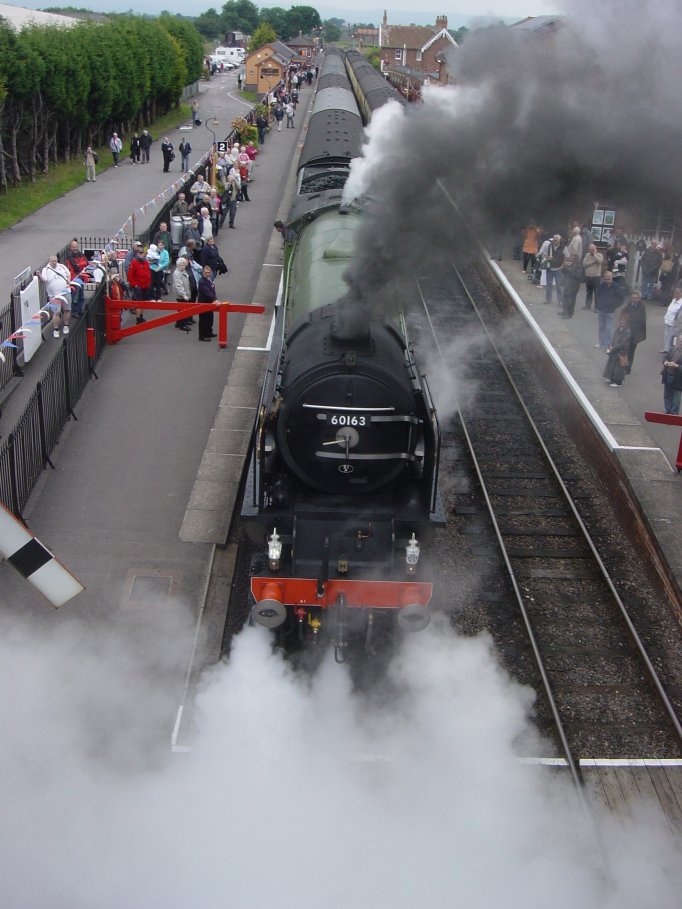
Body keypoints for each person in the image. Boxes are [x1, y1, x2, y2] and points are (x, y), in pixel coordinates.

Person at [37, 255, 72, 337]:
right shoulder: (46, 270)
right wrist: (39, 275)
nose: (55, 262)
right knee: (57, 312)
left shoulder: (61, 266)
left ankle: (66, 326)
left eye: (56, 261)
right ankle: (56, 329)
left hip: (66, 292)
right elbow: (44, 280)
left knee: (67, 309)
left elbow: (68, 274)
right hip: (54, 295)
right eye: (53, 261)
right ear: (50, 261)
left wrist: (69, 280)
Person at [595, 271, 625, 350]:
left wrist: (614, 306)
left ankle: (609, 345)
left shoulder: (616, 287)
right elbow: (597, 295)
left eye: (609, 276)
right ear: (604, 278)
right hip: (601, 310)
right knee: (601, 327)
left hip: (610, 311)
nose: (607, 278)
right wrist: (598, 305)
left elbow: (621, 298)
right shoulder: (601, 286)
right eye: (606, 277)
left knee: (609, 329)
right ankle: (601, 343)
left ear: (612, 277)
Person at [620, 290, 647, 374]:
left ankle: (627, 368)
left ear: (639, 298)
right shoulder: (629, 304)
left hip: (635, 334)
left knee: (631, 352)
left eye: (635, 298)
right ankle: (623, 365)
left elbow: (641, 321)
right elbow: (623, 312)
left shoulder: (641, 307)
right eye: (632, 298)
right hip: (627, 332)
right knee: (624, 350)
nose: (633, 300)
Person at [603, 314, 631, 387]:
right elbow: (613, 338)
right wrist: (611, 345)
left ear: (626, 323)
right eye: (621, 322)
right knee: (612, 366)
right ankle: (611, 379)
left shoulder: (627, 332)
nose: (621, 324)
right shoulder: (618, 329)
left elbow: (623, 343)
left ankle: (618, 382)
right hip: (614, 350)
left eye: (623, 322)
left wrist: (614, 347)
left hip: (621, 352)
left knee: (619, 368)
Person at [538, 234, 564, 306]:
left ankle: (560, 301)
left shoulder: (563, 248)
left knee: (558, 286)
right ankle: (548, 299)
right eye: (553, 239)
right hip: (550, 268)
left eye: (555, 240)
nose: (554, 241)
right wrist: (547, 257)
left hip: (558, 269)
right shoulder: (550, 246)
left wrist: (562, 265)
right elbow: (546, 254)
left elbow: (566, 257)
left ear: (559, 241)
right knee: (549, 285)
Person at [173, 257, 197, 331]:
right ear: (178, 265)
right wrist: (184, 295)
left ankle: (178, 322)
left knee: (181, 309)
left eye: (184, 265)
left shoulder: (183, 271)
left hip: (186, 292)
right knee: (183, 309)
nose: (183, 266)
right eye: (182, 265)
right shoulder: (177, 273)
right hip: (181, 294)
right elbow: (179, 285)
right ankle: (183, 324)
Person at [127, 246, 153, 314]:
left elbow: (148, 273)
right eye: (139, 253)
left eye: (142, 253)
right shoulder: (134, 262)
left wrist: (149, 283)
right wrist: (135, 285)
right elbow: (130, 276)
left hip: (145, 286)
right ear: (137, 253)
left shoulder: (146, 262)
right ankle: (138, 319)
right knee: (138, 304)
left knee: (142, 304)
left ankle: (141, 317)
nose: (141, 254)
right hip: (138, 287)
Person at [65, 239, 88, 317]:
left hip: (81, 277)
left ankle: (79, 310)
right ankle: (74, 312)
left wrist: (80, 264)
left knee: (81, 296)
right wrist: (81, 265)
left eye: (76, 247)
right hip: (74, 279)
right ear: (70, 247)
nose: (75, 248)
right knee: (75, 297)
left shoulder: (79, 254)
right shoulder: (69, 256)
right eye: (73, 247)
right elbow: (75, 267)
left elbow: (86, 262)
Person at [197, 264, 217, 341]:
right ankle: (202, 336)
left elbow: (212, 290)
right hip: (203, 302)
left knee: (210, 318)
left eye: (209, 272)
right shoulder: (202, 281)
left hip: (209, 302)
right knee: (203, 320)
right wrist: (214, 299)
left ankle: (209, 332)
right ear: (203, 272)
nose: (207, 274)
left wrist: (215, 298)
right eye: (206, 272)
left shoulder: (210, 279)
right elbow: (207, 292)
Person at [661, 341, 682, 414]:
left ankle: (674, 413)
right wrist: (666, 362)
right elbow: (665, 357)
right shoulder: (673, 348)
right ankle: (668, 411)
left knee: (676, 398)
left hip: (678, 379)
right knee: (667, 395)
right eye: (680, 341)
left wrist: (676, 366)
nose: (680, 343)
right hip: (668, 374)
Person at [582, 243, 604, 311]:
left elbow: (600, 261)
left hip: (596, 276)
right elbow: (584, 264)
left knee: (597, 293)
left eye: (592, 249)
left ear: (595, 249)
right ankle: (587, 306)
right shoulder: (587, 255)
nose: (591, 250)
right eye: (590, 249)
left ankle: (597, 307)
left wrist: (594, 254)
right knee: (589, 292)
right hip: (588, 276)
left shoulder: (600, 255)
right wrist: (593, 262)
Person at [662, 285, 682, 353]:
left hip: (674, 323)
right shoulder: (673, 300)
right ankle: (666, 349)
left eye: (677, 293)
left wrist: (675, 322)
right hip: (668, 321)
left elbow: (678, 314)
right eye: (674, 293)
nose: (675, 294)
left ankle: (671, 351)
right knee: (666, 336)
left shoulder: (681, 303)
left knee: (672, 338)